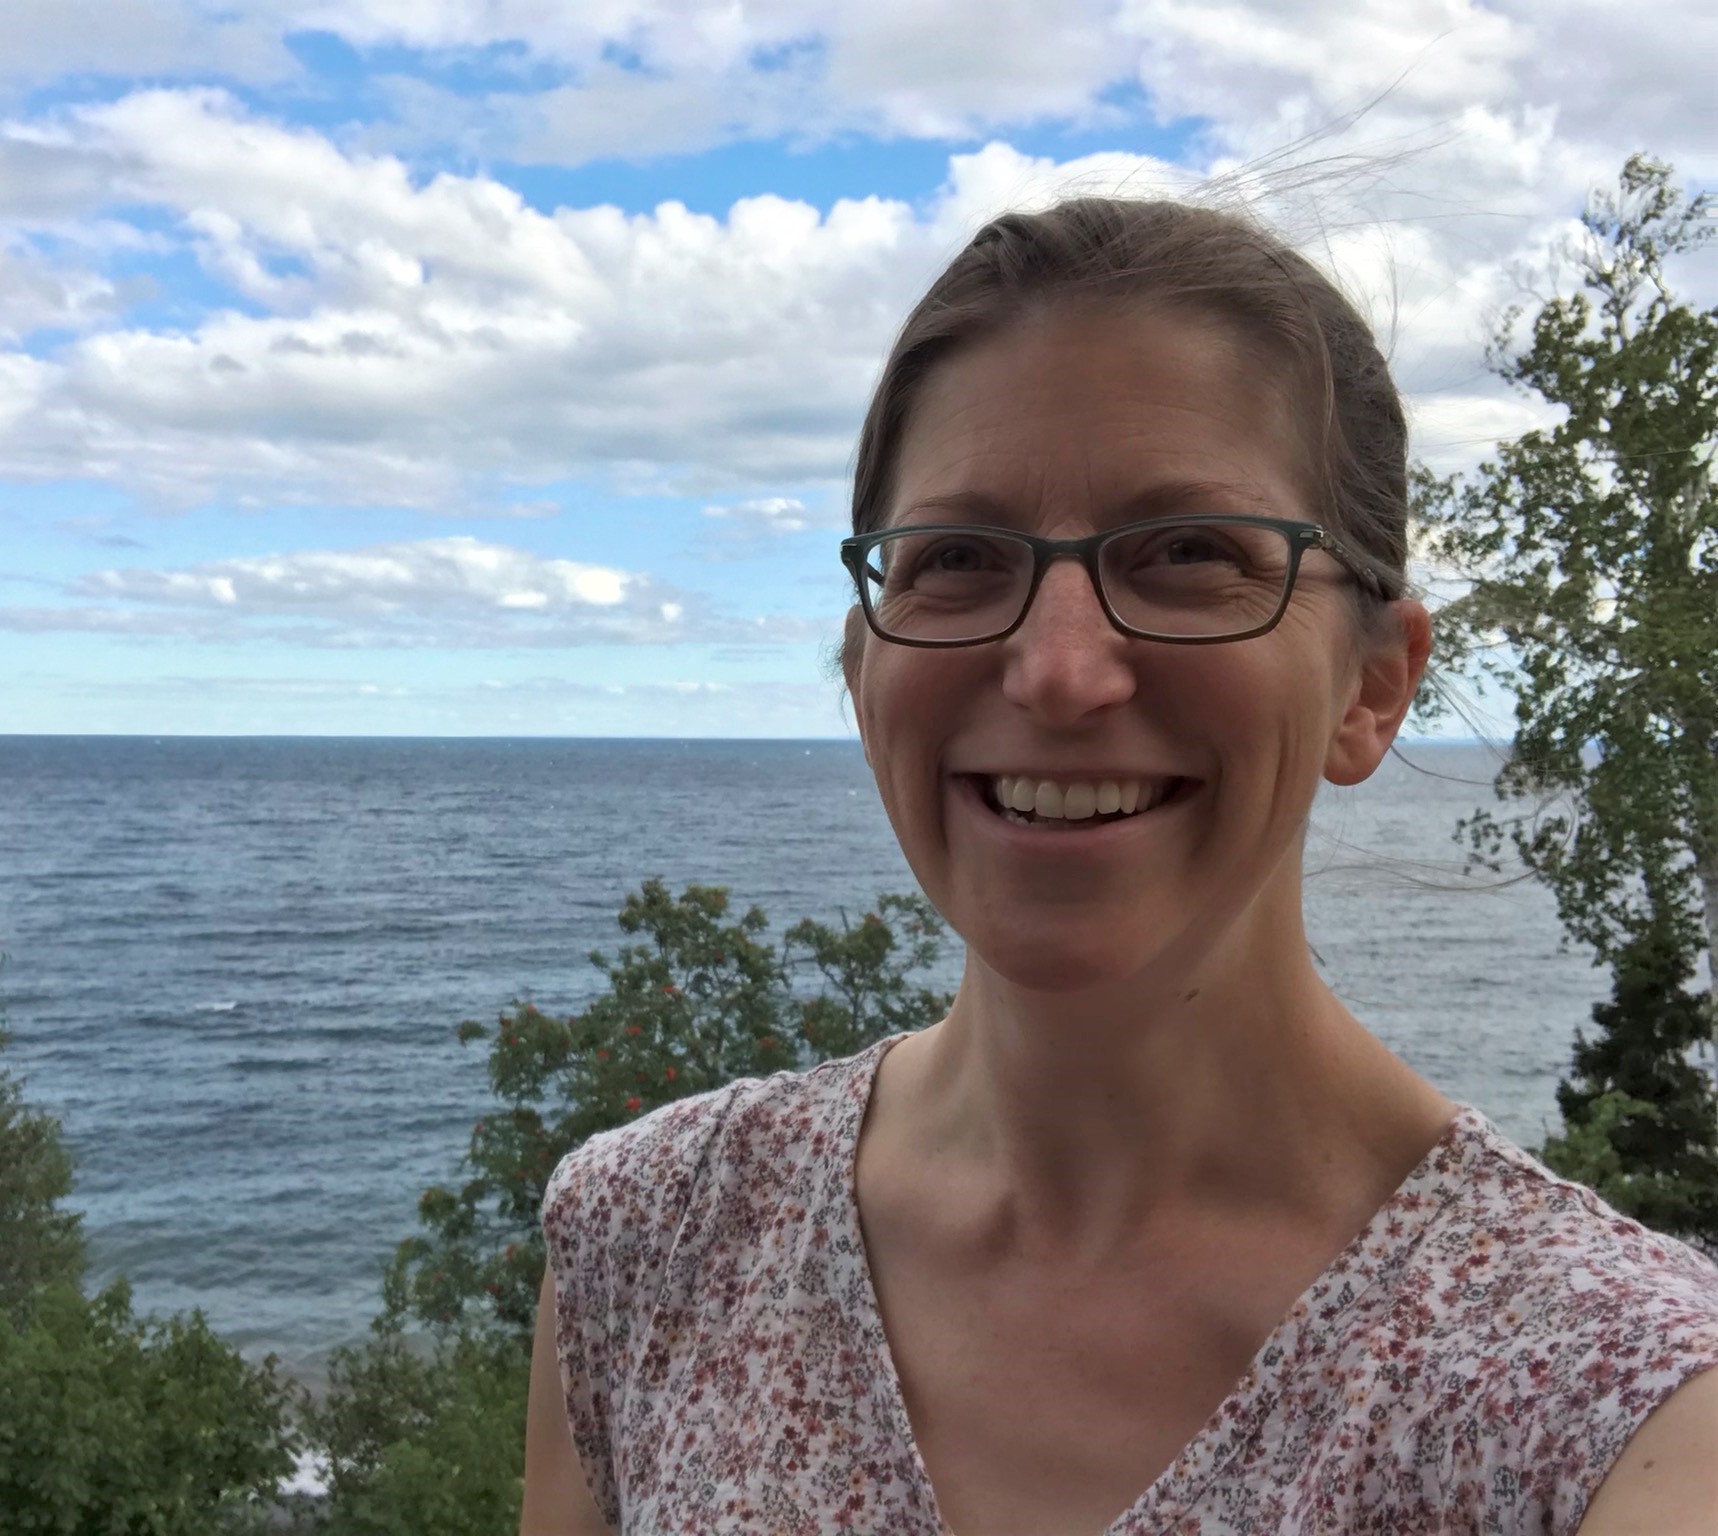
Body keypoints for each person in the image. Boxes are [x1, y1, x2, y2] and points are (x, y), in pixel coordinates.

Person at [518, 197, 1718, 1534]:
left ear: (1372, 687)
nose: (1058, 671)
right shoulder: (653, 1242)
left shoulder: (1607, 1409)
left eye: (1188, 554)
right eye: (958, 561)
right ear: (864, 676)